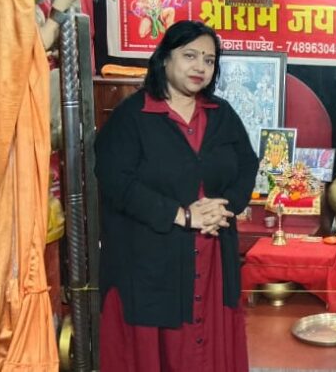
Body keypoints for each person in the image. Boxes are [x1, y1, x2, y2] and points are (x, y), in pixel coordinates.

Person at [95, 20, 258, 371]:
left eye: (209, 60)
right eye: (190, 56)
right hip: (151, 264)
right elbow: (115, 182)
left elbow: (247, 164)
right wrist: (182, 215)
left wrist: (223, 208)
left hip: (213, 259)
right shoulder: (132, 117)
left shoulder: (222, 114)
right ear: (165, 58)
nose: (200, 67)